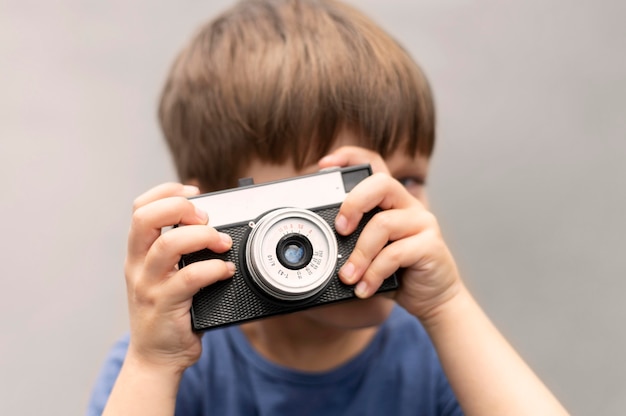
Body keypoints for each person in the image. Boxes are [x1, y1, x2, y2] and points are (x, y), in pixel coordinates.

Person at [86, 0, 568, 415]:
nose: (383, 212)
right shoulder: (173, 364)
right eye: (339, 188)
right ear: (212, 212)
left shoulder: (438, 353)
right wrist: (153, 365)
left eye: (406, 181)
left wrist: (447, 306)